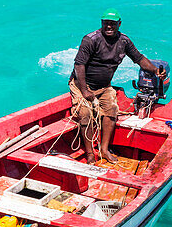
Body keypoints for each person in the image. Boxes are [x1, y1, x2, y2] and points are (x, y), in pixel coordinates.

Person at [70, 11, 165, 165]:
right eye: (106, 23)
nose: (109, 26)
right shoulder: (90, 40)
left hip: (104, 86)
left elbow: (139, 58)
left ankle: (104, 149)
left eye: (113, 23)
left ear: (119, 24)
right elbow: (79, 65)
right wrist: (85, 90)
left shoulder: (124, 41)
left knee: (111, 110)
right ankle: (89, 154)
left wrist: (155, 70)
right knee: (85, 113)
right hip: (82, 85)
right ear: (101, 23)